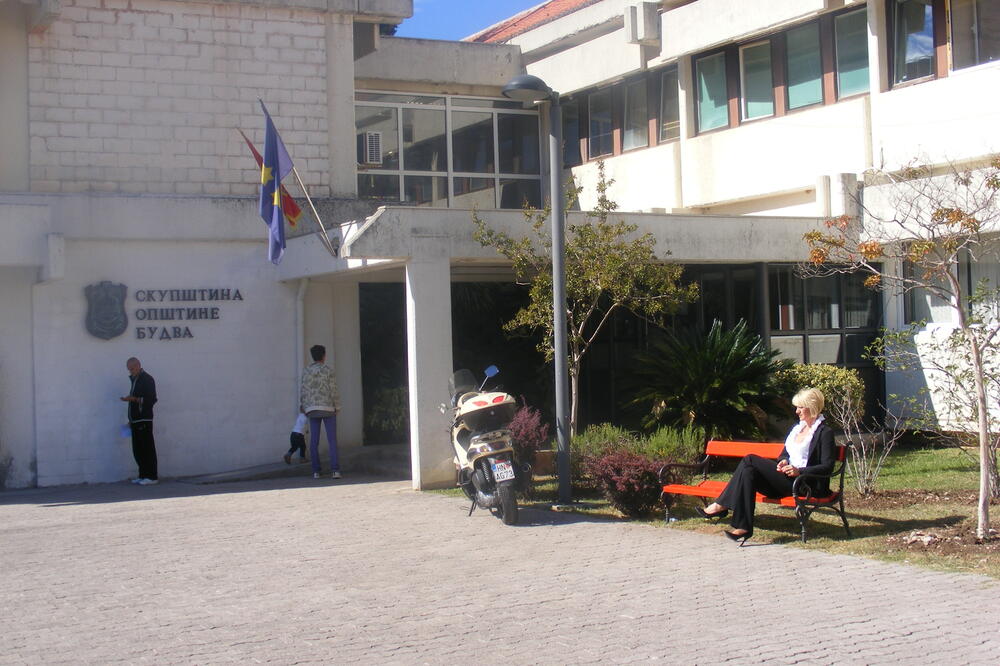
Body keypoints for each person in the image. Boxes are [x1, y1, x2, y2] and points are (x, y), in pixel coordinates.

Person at [698, 387, 835, 544]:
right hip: (785, 480)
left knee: (749, 460)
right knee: (748, 472)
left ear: (812, 407)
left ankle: (720, 505)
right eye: (796, 407)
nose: (796, 411)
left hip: (804, 484)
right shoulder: (798, 429)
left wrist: (799, 471)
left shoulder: (824, 432)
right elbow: (784, 454)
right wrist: (783, 461)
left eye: (800, 407)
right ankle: (743, 527)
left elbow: (827, 466)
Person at [300, 344, 341, 480]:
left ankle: (316, 471)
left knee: (314, 441)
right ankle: (335, 470)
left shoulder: (306, 371)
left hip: (312, 408)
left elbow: (304, 390)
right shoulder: (328, 371)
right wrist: (337, 406)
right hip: (328, 407)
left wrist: (304, 406)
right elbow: (333, 390)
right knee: (332, 440)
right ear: (324, 355)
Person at [120, 357, 158, 485]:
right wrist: (130, 420)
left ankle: (152, 477)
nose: (131, 371)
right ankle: (143, 475)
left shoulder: (147, 379)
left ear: (138, 365)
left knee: (147, 448)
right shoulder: (135, 380)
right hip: (135, 421)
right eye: (129, 369)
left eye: (132, 368)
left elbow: (152, 399)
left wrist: (134, 399)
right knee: (138, 449)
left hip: (144, 420)